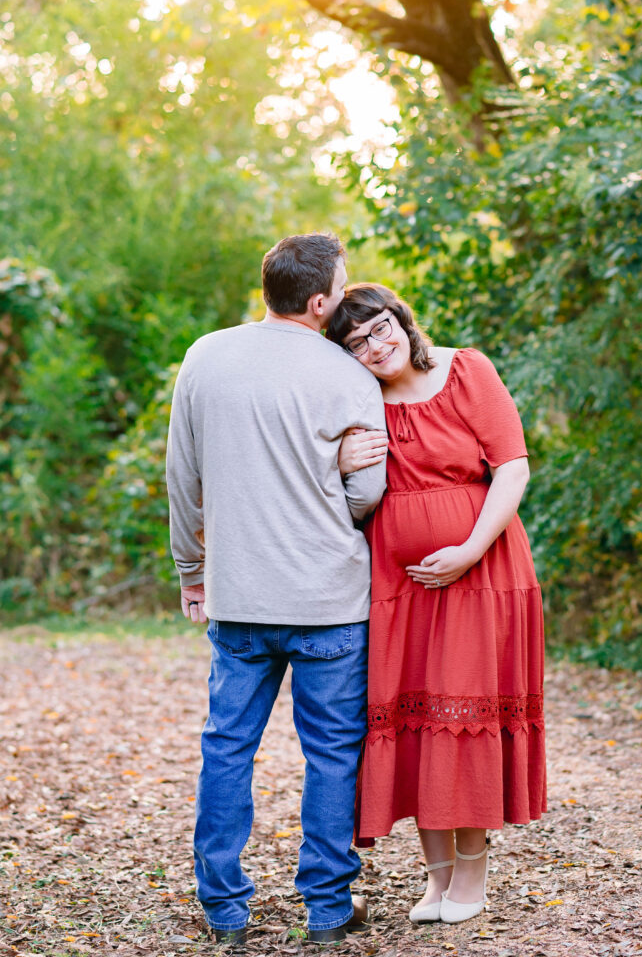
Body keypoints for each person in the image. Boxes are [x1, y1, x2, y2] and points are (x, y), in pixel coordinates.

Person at [165, 235, 388, 945]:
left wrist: (190, 572)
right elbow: (368, 489)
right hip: (328, 600)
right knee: (331, 754)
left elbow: (183, 479)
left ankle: (223, 908)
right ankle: (326, 908)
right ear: (319, 301)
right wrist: (330, 490)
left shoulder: (205, 355)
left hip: (238, 597)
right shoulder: (347, 372)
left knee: (227, 747)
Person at [326, 284, 546, 926]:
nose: (375, 345)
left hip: (481, 574)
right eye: (356, 341)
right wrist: (335, 457)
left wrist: (471, 549)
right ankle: (437, 880)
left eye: (380, 327)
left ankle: (473, 877)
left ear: (402, 319)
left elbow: (512, 467)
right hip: (399, 589)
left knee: (464, 715)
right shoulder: (360, 403)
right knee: (416, 719)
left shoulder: (465, 369)